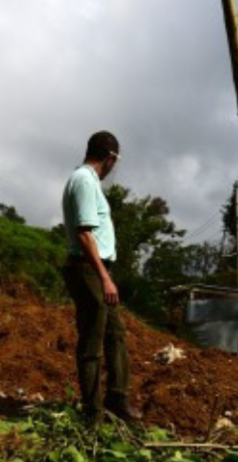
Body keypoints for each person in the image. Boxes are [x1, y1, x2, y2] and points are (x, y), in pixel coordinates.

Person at [61, 131, 142, 422]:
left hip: (96, 269)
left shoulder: (88, 181)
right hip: (89, 269)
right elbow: (84, 234)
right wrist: (104, 277)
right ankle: (93, 414)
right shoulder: (83, 180)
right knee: (92, 343)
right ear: (110, 158)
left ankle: (117, 399)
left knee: (115, 335)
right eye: (114, 163)